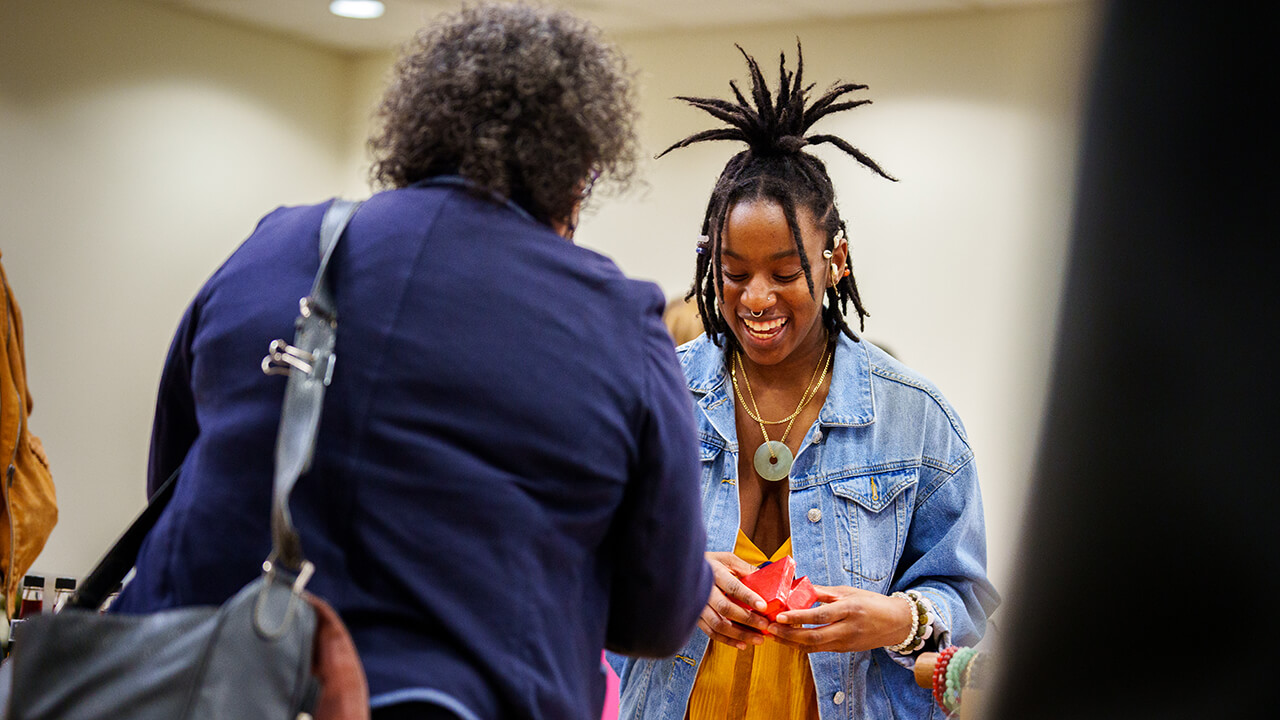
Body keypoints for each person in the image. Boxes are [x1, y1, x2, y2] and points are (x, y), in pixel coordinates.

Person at [112, 4, 712, 719]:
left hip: (198, 687)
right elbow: (658, 615)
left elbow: (172, 481)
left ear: (416, 130)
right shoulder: (616, 321)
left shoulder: (274, 248)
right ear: (579, 175)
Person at [609, 45, 999, 719]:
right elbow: (579, 562)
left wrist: (899, 619)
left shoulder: (915, 418)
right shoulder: (653, 393)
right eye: (734, 272)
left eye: (785, 272)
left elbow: (966, 604)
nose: (756, 298)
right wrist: (675, 583)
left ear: (834, 260)